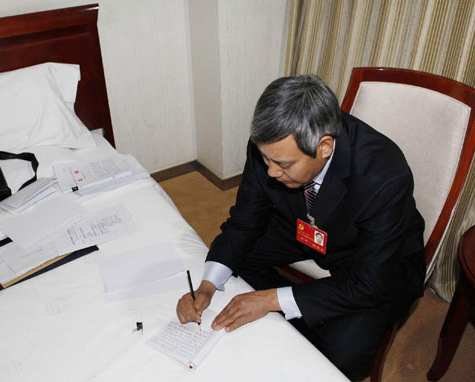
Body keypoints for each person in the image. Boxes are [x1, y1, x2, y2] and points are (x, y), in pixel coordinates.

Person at [176, 75, 426, 380]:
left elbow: (369, 283)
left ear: (324, 147)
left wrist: (270, 300)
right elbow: (244, 221)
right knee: (236, 258)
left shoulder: (385, 176)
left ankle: (300, 312)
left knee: (343, 353)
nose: (270, 171)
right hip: (303, 227)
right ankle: (300, 310)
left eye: (282, 164)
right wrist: (206, 286)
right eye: (266, 158)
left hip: (373, 259)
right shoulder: (272, 145)